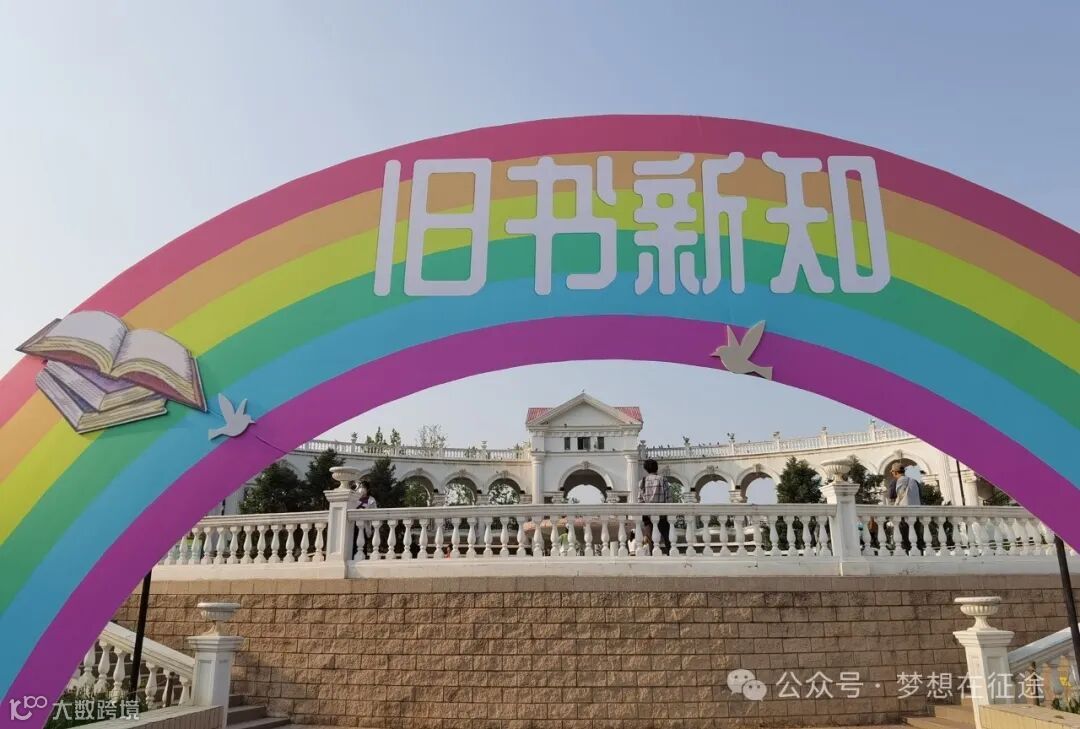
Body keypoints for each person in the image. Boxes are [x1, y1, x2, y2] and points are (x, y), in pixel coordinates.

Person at [638, 459, 671, 554]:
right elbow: (668, 498)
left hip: (648, 515)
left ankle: (653, 555)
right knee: (667, 537)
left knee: (650, 539)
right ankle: (671, 555)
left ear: (646, 469)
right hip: (662, 514)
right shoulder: (662, 479)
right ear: (656, 468)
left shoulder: (642, 481)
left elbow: (640, 500)